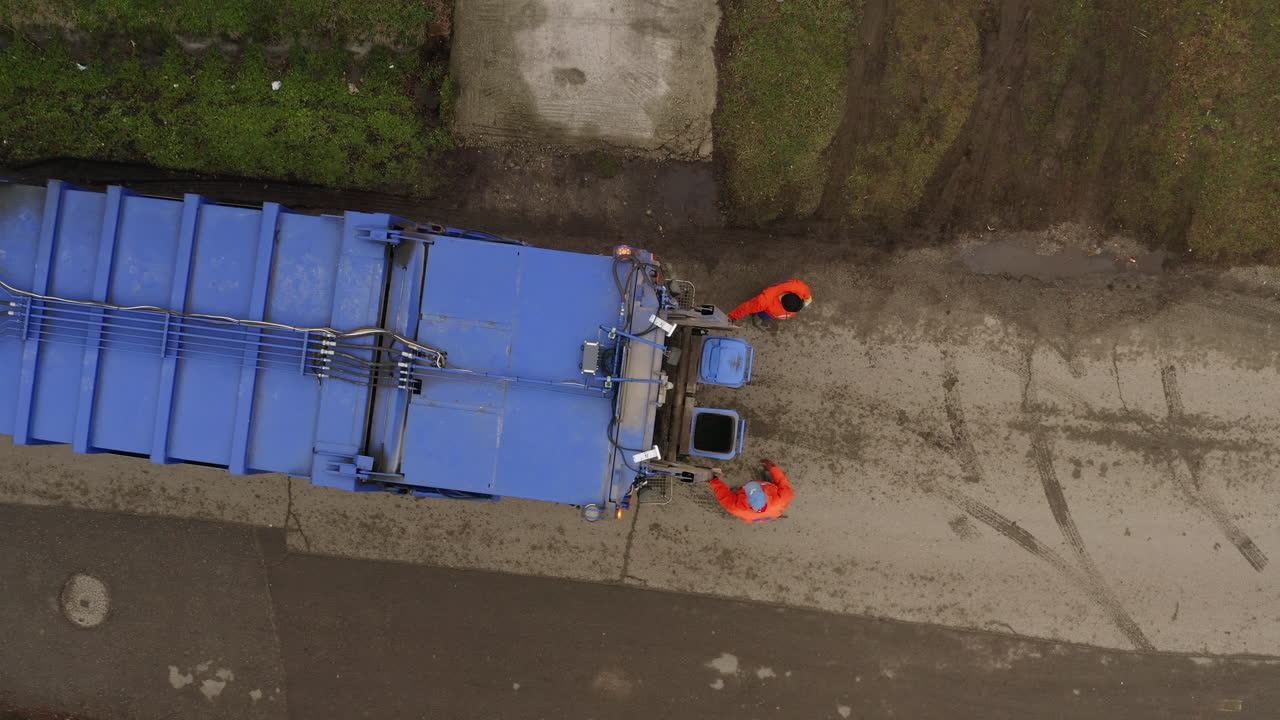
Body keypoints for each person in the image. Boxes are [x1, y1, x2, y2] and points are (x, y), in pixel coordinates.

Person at [708, 459, 794, 523]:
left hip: (752, 517)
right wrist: (773, 468)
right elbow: (783, 483)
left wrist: (712, 480)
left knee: (732, 495)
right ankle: (775, 515)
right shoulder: (782, 499)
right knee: (774, 511)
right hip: (768, 514)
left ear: (748, 503)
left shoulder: (736, 508)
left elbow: (723, 494)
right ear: (765, 495)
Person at [727, 279, 813, 322]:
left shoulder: (763, 301)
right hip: (775, 315)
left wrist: (732, 317)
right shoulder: (800, 289)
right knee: (765, 317)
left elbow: (746, 308)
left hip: (768, 311)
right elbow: (808, 298)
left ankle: (761, 315)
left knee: (762, 314)